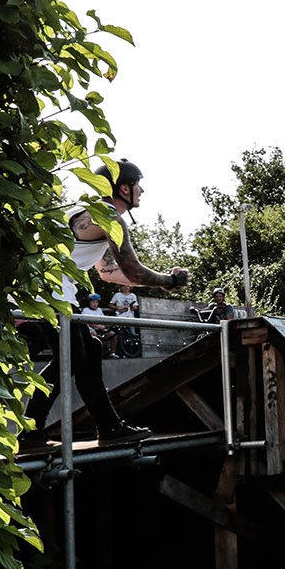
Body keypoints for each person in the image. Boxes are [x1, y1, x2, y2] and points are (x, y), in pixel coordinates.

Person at [19, 158, 191, 450]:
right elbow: (134, 271)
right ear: (124, 188)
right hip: (48, 292)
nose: (142, 191)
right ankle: (29, 432)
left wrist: (160, 280)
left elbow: (109, 272)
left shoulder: (90, 213)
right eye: (138, 185)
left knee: (92, 349)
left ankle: (109, 427)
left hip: (45, 290)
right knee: (72, 356)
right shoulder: (108, 217)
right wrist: (170, 280)